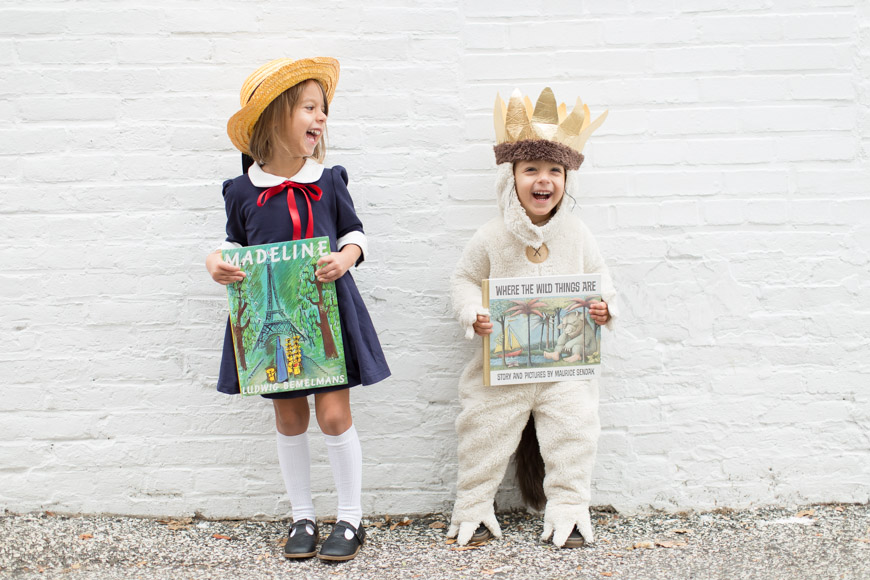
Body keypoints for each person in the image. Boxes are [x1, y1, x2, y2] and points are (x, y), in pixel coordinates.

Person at [206, 57, 390, 562]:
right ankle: (301, 516)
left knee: (333, 416)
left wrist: (345, 258)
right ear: (274, 117)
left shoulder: (329, 180)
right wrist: (215, 262)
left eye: (323, 109)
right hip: (271, 320)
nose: (321, 117)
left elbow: (355, 233)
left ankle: (351, 518)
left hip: (324, 314)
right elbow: (232, 246)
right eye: (310, 107)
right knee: (289, 419)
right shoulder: (242, 191)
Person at [447, 88, 617, 549]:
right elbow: (464, 279)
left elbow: (600, 276)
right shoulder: (491, 236)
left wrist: (604, 307)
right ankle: (474, 510)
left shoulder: (577, 234)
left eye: (554, 171)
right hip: (501, 369)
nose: (544, 180)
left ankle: (569, 509)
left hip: (564, 369)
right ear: (512, 177)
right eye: (531, 170)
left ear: (567, 179)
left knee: (576, 428)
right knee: (482, 427)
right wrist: (473, 311)